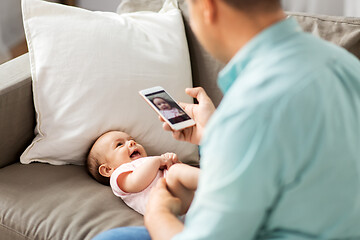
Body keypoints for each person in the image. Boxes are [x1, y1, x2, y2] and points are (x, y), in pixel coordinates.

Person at [93, 0, 360, 239]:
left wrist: (157, 214)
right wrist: (212, 134)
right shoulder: (344, 64)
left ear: (208, 7)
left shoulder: (252, 105)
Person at [86, 130, 199, 215]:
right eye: (119, 145)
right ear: (108, 169)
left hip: (188, 197)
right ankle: (213, 177)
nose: (131, 142)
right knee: (175, 172)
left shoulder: (149, 162)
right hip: (169, 206)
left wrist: (173, 162)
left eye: (132, 140)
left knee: (176, 170)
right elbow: (136, 182)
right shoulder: (118, 174)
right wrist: (158, 161)